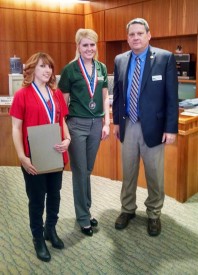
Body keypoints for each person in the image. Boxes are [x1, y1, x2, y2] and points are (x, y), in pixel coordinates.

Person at [112, 18, 178, 236]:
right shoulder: (120, 60)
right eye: (132, 34)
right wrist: (116, 122)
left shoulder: (164, 58)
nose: (136, 37)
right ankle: (127, 209)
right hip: (128, 124)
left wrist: (170, 129)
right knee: (128, 171)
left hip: (155, 127)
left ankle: (154, 213)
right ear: (127, 37)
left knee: (154, 173)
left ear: (149, 35)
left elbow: (171, 97)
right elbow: (118, 94)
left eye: (140, 33)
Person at [10, 52, 71, 262]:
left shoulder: (56, 93)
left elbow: (61, 120)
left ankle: (50, 230)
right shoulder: (22, 94)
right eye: (42, 66)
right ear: (33, 69)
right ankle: (38, 238)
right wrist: (21, 156)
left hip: (55, 154)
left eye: (50, 67)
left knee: (55, 195)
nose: (47, 70)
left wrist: (68, 138)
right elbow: (16, 129)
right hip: (33, 157)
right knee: (37, 200)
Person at [58, 28, 110, 237]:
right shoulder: (70, 70)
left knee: (87, 169)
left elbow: (105, 97)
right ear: (78, 46)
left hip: (97, 124)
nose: (89, 48)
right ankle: (83, 218)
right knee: (80, 171)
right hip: (77, 125)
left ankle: (85, 211)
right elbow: (63, 104)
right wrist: (64, 131)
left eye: (92, 44)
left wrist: (107, 122)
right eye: (85, 45)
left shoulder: (102, 68)